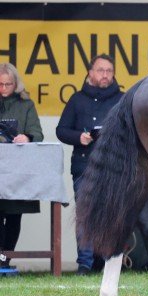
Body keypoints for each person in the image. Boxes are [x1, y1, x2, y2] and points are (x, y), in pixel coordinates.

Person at [56, 54, 123, 275]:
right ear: (90, 72)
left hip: (113, 166)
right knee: (84, 215)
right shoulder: (77, 99)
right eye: (101, 70)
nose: (105, 75)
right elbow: (61, 130)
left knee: (111, 214)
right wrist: (79, 137)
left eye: (109, 71)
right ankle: (84, 263)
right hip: (84, 166)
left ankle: (109, 262)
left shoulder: (121, 99)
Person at [0, 63, 44, 269]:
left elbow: (38, 132)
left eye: (8, 84)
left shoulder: (26, 105)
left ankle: (6, 260)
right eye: (0, 84)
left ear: (15, 84)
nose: (3, 88)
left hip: (18, 171)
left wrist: (26, 137)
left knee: (14, 215)